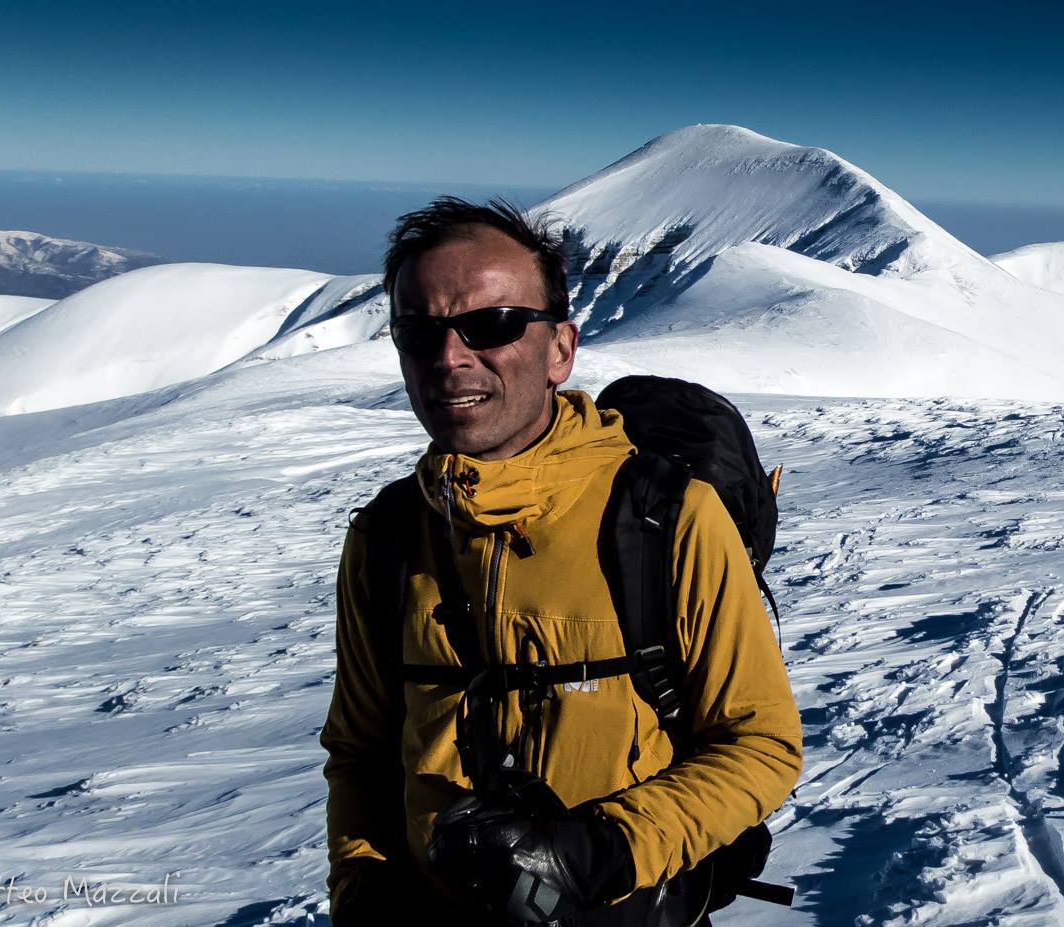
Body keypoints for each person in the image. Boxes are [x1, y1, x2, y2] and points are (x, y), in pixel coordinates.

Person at [322, 197, 802, 924]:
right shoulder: (387, 535)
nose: (450, 357)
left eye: (492, 325)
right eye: (419, 331)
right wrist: (363, 890)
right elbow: (360, 751)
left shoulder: (665, 518)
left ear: (560, 349)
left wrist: (601, 851)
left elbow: (760, 742)